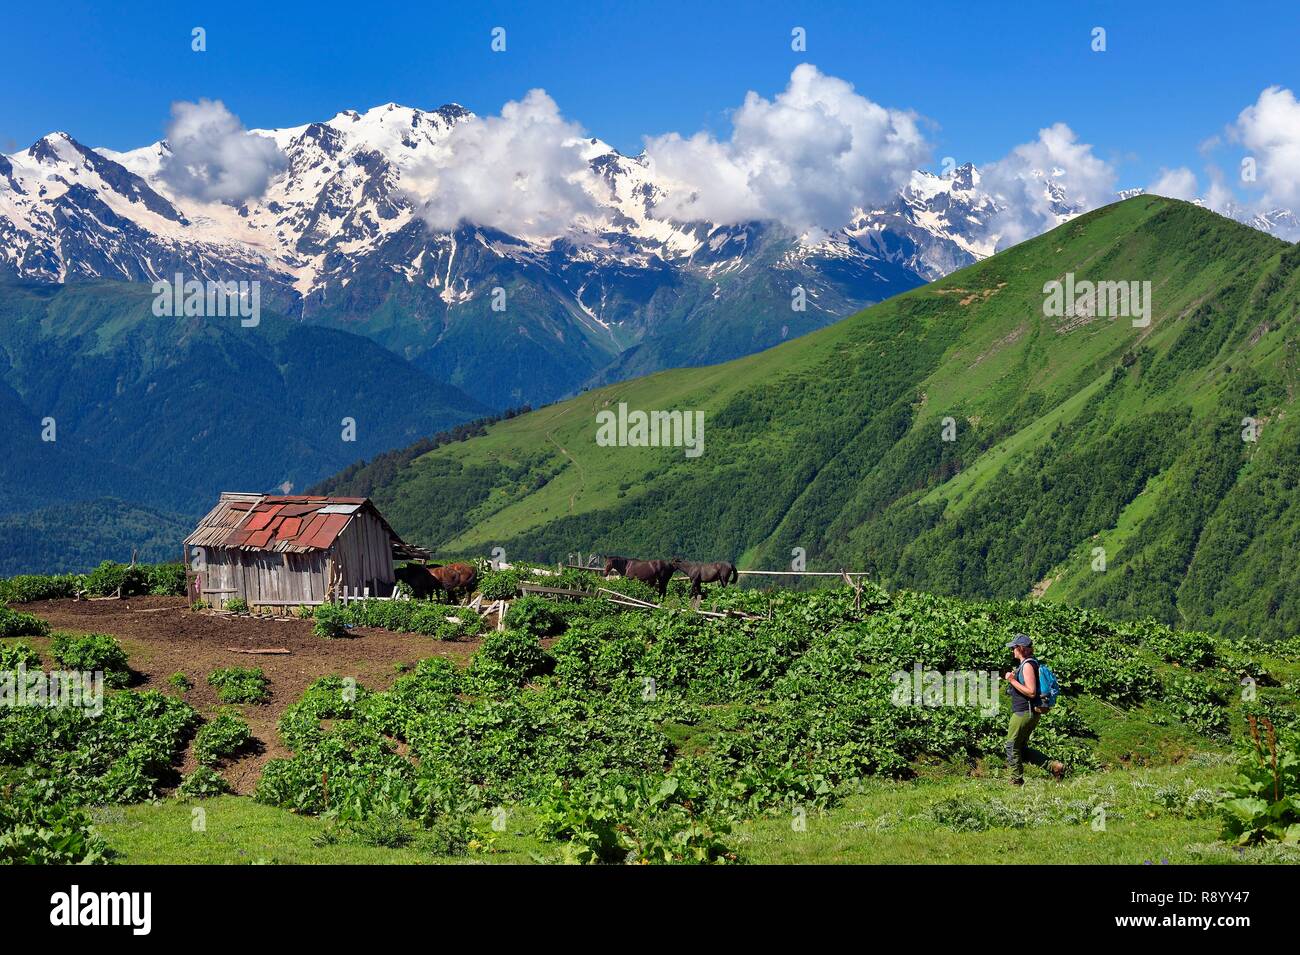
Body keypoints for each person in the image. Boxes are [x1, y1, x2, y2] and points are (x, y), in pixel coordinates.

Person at [1003, 634, 1064, 786]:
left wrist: (1011, 680)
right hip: (1029, 712)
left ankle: (1016, 780)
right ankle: (1054, 767)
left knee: (1011, 746)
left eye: (1014, 648)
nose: (1012, 650)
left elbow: (1031, 691)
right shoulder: (1030, 663)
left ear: (1021, 649)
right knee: (1021, 749)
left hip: (1024, 712)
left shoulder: (1028, 665)